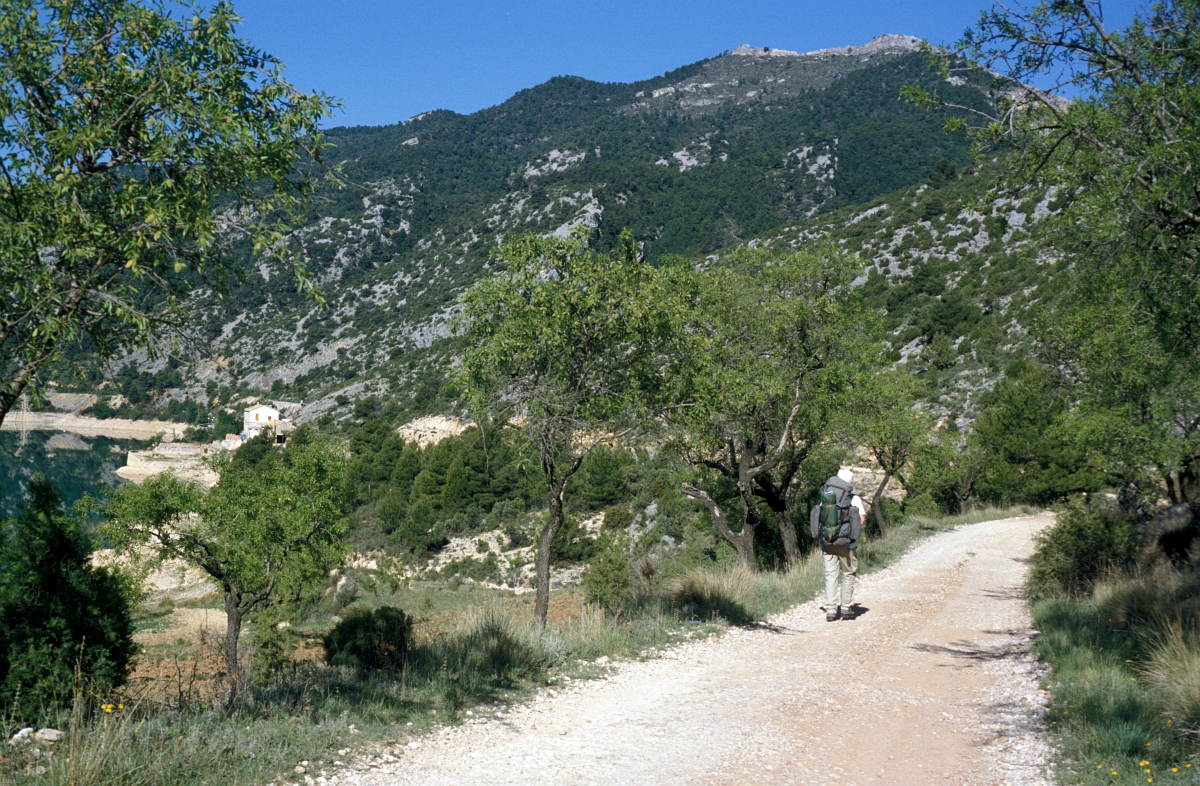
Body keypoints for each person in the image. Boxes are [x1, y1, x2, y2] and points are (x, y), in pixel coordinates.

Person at [811, 468, 861, 622]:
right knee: (848, 573)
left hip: (827, 541)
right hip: (846, 543)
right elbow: (860, 519)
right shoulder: (853, 497)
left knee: (831, 575)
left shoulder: (826, 496)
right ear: (851, 482)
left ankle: (831, 611)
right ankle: (846, 608)